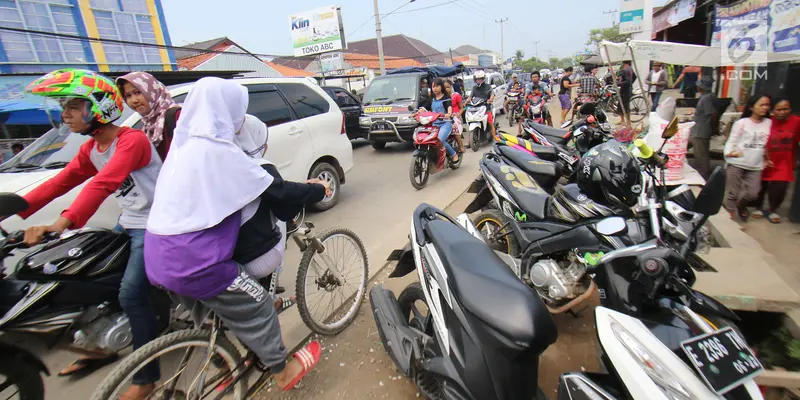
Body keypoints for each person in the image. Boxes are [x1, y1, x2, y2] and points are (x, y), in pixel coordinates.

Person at [143, 77, 325, 392]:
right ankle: (282, 371)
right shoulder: (219, 152)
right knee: (259, 306)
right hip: (197, 262)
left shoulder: (181, 147)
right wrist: (318, 189)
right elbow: (278, 193)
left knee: (214, 312)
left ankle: (223, 360)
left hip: (157, 258)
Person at [13, 69, 162, 399]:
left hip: (156, 223)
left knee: (130, 294)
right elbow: (57, 184)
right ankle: (103, 348)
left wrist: (61, 223)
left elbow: (104, 182)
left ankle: (146, 377)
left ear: (99, 107)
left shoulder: (131, 140)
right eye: (64, 106)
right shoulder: (91, 149)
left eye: (73, 105)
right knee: (91, 280)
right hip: (131, 220)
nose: (65, 113)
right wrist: (9, 208)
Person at [723, 94, 772, 222]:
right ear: (751, 107)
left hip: (756, 164)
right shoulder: (741, 123)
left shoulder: (769, 123)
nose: (765, 108)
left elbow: (769, 143)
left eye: (767, 105)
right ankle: (730, 216)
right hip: (736, 163)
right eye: (761, 104)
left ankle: (742, 204)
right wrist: (729, 153)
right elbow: (731, 141)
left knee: (753, 193)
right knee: (732, 193)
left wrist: (767, 158)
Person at [752, 98, 800, 223]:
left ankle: (773, 209)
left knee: (780, 188)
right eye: (779, 109)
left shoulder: (796, 122)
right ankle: (758, 207)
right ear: (773, 110)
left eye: (786, 109)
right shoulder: (767, 122)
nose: (782, 112)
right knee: (761, 186)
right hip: (765, 159)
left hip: (785, 162)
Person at [116, 72, 181, 162]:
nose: (134, 100)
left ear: (152, 91)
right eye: (128, 96)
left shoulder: (177, 116)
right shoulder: (147, 127)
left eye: (138, 92)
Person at [690, 76, 717, 179]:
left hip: (701, 131)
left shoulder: (707, 98)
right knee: (700, 155)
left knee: (702, 157)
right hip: (700, 129)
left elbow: (712, 114)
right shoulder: (707, 97)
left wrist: (713, 127)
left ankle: (703, 176)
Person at [427, 78, 458, 162]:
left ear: (441, 87)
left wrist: (448, 114)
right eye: (433, 87)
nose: (434, 88)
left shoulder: (446, 98)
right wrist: (418, 111)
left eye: (437, 86)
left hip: (445, 123)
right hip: (434, 124)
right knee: (428, 140)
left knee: (439, 140)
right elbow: (425, 107)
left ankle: (454, 154)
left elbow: (449, 108)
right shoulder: (432, 99)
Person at [466, 70, 497, 139]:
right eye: (477, 79)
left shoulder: (488, 86)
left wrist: (490, 100)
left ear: (483, 79)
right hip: (476, 108)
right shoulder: (474, 88)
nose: (478, 80)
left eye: (480, 79)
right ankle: (469, 141)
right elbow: (470, 97)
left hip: (486, 107)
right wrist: (466, 102)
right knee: (470, 122)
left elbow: (492, 94)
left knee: (490, 122)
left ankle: (495, 138)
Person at [444, 79, 465, 152]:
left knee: (455, 130)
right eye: (444, 87)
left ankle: (461, 147)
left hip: (455, 118)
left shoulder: (456, 96)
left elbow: (462, 108)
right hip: (444, 117)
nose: (446, 89)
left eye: (448, 87)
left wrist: (457, 115)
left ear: (451, 87)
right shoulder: (441, 97)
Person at [617, 60, 636, 126]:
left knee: (625, 106)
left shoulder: (626, 70)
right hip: (625, 89)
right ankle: (622, 120)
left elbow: (628, 81)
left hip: (626, 90)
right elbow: (634, 77)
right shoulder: (630, 69)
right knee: (620, 105)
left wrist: (619, 83)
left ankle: (628, 121)